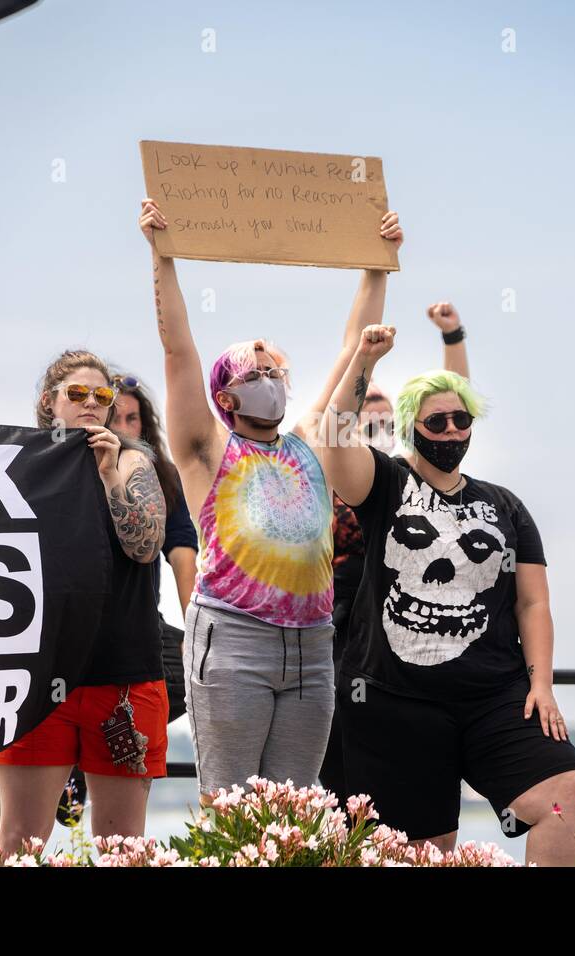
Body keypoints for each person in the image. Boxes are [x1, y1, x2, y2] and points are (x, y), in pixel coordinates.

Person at [137, 197, 402, 803]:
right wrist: (161, 253)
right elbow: (178, 351)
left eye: (275, 371)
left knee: (293, 811)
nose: (271, 381)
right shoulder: (207, 449)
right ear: (225, 398)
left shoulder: (311, 441)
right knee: (234, 811)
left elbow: (351, 348)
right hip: (232, 639)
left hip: (312, 647)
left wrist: (377, 264)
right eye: (254, 375)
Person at [317, 325, 575, 866]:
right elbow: (334, 440)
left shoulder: (505, 506)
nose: (450, 429)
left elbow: (533, 603)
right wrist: (365, 360)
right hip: (395, 701)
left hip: (494, 695)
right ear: (409, 426)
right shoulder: (384, 484)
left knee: (565, 793)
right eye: (435, 420)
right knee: (425, 853)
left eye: (461, 419)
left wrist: (543, 684)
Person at [0, 350, 168, 856]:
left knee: (122, 849)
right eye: (77, 394)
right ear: (50, 402)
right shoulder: (17, 468)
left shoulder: (133, 460)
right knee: (18, 843)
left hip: (122, 678)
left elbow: (145, 545)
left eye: (102, 396)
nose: (91, 403)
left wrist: (110, 474)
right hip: (38, 676)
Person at [318, 301, 471, 801]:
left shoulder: (411, 470)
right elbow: (337, 425)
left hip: (400, 594)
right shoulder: (340, 468)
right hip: (344, 605)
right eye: (369, 416)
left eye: (389, 418)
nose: (378, 424)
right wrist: (365, 362)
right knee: (343, 733)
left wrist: (453, 337)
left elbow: (454, 405)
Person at [56, 372, 199, 824]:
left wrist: (196, 631)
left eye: (131, 418)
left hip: (137, 629)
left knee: (181, 678)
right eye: (113, 414)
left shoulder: (158, 474)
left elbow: (180, 553)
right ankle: (74, 764)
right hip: (66, 630)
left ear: (145, 424)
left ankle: (81, 768)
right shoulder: (53, 464)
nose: (121, 423)